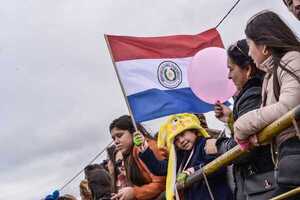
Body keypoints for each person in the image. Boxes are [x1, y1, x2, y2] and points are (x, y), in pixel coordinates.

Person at [233, 10, 300, 199]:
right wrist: (259, 135)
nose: (248, 52)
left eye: (249, 45)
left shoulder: (292, 59)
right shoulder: (270, 75)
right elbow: (271, 119)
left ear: (263, 46)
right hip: (287, 161)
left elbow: (290, 107)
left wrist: (243, 125)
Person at [204, 39, 276, 200]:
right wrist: (230, 118)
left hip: (264, 185)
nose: (229, 76)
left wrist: (217, 145)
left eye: (231, 69)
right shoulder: (252, 93)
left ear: (248, 69)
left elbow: (244, 149)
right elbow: (247, 131)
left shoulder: (252, 94)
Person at [135, 113, 233, 200]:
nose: (181, 140)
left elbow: (218, 167)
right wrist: (144, 148)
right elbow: (160, 169)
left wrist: (193, 170)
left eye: (182, 134)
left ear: (194, 131)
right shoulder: (180, 156)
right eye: (176, 140)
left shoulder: (206, 144)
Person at [109, 115, 166, 200]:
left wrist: (134, 193)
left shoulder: (146, 148)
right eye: (114, 138)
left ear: (133, 132)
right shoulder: (129, 155)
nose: (116, 142)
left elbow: (163, 183)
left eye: (119, 135)